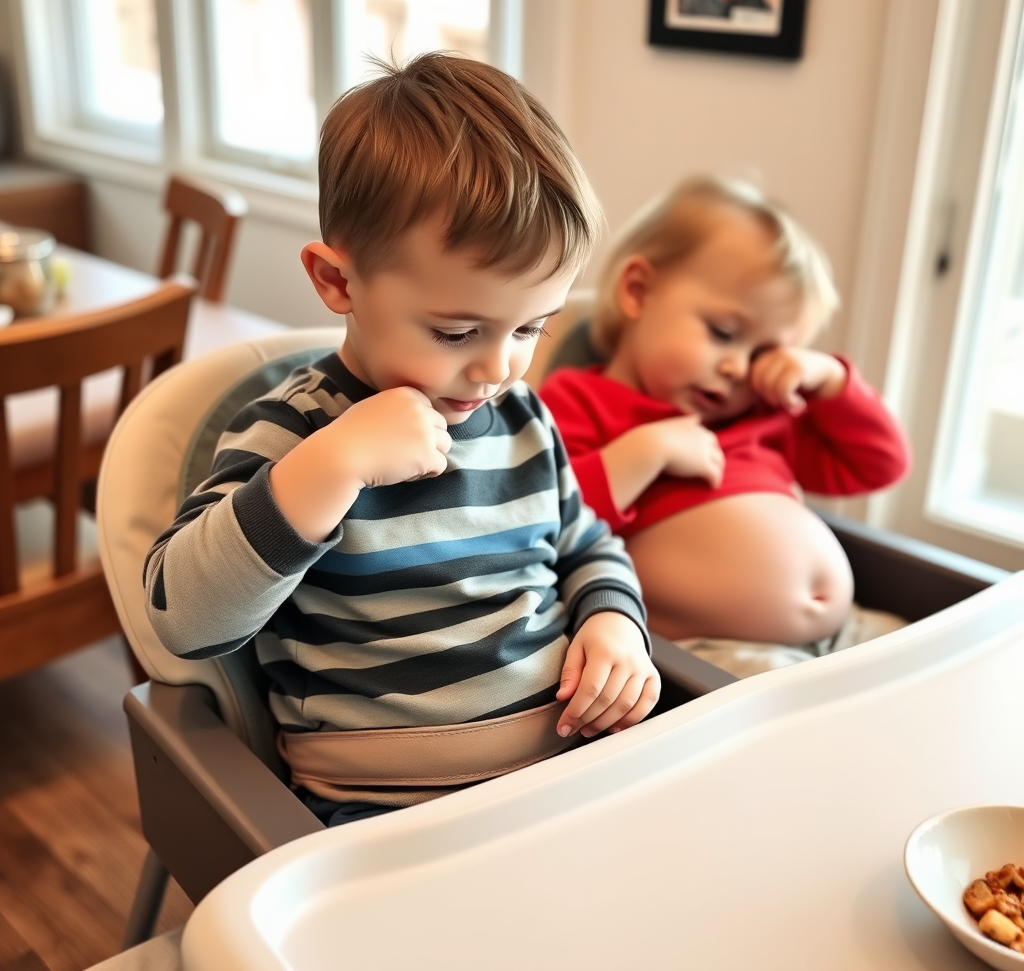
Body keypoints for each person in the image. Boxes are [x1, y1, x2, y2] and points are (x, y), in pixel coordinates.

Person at [143, 53, 657, 827]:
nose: (495, 367)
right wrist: (332, 466)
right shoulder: (294, 435)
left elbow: (586, 545)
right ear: (338, 283)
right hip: (387, 820)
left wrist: (612, 619)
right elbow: (183, 618)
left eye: (528, 327)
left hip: (570, 776)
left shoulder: (522, 421)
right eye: (455, 331)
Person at [539, 177, 911, 671]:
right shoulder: (579, 400)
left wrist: (830, 378)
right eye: (723, 333)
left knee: (943, 671)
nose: (739, 367)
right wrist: (644, 453)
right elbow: (543, 517)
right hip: (712, 652)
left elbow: (881, 465)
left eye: (763, 352)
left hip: (848, 629)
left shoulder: (763, 412)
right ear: (638, 291)